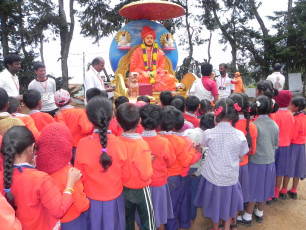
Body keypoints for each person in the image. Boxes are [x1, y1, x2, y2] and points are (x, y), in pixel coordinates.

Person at [0, 126, 82, 230]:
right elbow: (59, 210)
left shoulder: (3, 176)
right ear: (32, 147)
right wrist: (70, 185)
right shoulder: (41, 179)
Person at [195, 98, 249, 230]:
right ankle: (226, 227)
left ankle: (215, 227)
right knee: (229, 204)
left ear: (216, 114)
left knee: (214, 204)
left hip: (212, 177)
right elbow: (242, 156)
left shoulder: (208, 133)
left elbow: (203, 145)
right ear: (233, 114)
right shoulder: (240, 135)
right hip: (230, 177)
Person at [75, 96, 127, 230]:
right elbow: (125, 175)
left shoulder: (82, 145)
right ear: (112, 117)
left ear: (89, 118)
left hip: (92, 200)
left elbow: (79, 177)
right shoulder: (120, 143)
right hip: (115, 197)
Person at [36, 122, 90, 230]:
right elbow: (82, 205)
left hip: (54, 222)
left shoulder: (39, 170)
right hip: (73, 222)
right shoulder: (70, 173)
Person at [238, 95, 279, 226]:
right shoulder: (274, 124)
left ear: (255, 109)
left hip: (256, 162)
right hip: (270, 161)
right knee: (265, 186)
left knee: (253, 188)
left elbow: (250, 147)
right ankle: (260, 212)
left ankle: (248, 215)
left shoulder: (254, 125)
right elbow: (275, 145)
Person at [115, 102, 155, 230]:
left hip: (123, 188)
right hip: (141, 189)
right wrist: (150, 162)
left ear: (119, 123)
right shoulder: (142, 145)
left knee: (127, 220)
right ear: (139, 121)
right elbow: (146, 174)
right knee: (147, 221)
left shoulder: (116, 142)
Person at [140, 104, 176, 229]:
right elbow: (171, 162)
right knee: (160, 215)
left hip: (142, 185)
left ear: (140, 120)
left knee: (143, 215)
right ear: (159, 122)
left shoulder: (137, 141)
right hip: (159, 184)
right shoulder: (163, 142)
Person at [159, 106, 195, 230]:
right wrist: (194, 151)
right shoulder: (179, 141)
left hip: (160, 179)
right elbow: (186, 162)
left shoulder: (157, 138)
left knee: (164, 207)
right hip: (175, 179)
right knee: (175, 207)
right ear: (175, 126)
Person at [185, 113, 215, 224]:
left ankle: (181, 216)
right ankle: (191, 217)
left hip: (183, 167)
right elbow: (205, 160)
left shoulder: (188, 131)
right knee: (193, 194)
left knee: (183, 193)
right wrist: (198, 173)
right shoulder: (207, 138)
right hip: (195, 169)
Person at [229, 93, 258, 204]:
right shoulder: (252, 126)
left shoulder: (226, 124)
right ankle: (235, 219)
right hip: (243, 166)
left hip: (228, 166)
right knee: (238, 195)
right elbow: (252, 151)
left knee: (228, 195)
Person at [130, 25, 176, 92]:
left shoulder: (159, 52)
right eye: (147, 38)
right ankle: (153, 88)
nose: (149, 40)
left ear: (153, 39)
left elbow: (162, 66)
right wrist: (143, 72)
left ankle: (147, 89)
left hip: (157, 75)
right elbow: (133, 66)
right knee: (135, 79)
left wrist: (156, 72)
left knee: (170, 78)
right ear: (144, 39)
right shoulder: (137, 51)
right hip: (143, 76)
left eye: (151, 38)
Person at [53, 89, 93, 165]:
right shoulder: (79, 112)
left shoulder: (57, 116)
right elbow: (86, 129)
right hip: (79, 147)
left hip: (64, 149)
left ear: (56, 104)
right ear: (70, 100)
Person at [280, 97, 306, 199]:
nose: (290, 106)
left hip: (293, 145)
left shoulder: (295, 119)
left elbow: (293, 135)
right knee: (298, 168)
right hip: (301, 146)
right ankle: (294, 189)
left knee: (288, 167)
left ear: (296, 107)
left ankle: (284, 189)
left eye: (292, 105)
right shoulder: (304, 117)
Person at [273, 90, 294, 200]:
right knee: (280, 170)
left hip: (276, 146)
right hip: (287, 146)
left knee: (273, 169)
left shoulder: (275, 115)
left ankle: (272, 193)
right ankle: (278, 192)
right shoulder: (290, 115)